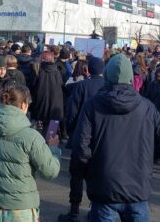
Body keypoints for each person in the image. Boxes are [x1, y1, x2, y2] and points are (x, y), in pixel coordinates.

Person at [72, 54, 160, 221]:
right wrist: (149, 155)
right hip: (137, 186)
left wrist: (90, 171)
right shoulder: (147, 107)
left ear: (106, 75)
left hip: (104, 185)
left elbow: (81, 148)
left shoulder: (92, 106)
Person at [0, 85, 61, 222]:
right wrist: (53, 149)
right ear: (23, 105)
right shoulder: (31, 136)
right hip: (21, 207)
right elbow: (50, 171)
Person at [59, 56, 105, 222]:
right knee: (97, 176)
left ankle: (74, 211)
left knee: (77, 176)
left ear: (88, 70)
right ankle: (94, 209)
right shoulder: (107, 87)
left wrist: (72, 131)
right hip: (101, 138)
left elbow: (71, 111)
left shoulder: (82, 86)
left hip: (81, 135)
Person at [29, 51, 64, 133]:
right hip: (55, 107)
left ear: (43, 59)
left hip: (39, 106)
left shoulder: (38, 71)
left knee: (35, 134)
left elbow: (32, 86)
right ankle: (49, 145)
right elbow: (61, 86)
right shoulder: (57, 71)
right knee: (51, 136)